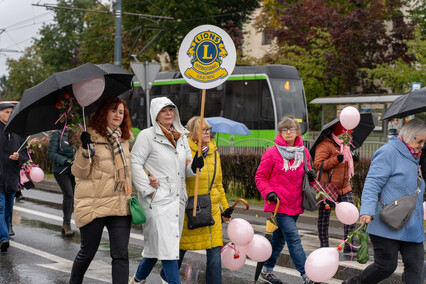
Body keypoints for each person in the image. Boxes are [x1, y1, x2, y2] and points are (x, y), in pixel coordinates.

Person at [130, 97, 204, 284]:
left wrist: (195, 166)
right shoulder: (147, 136)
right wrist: (148, 190)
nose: (169, 113)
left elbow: (186, 170)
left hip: (177, 199)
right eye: (164, 111)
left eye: (171, 110)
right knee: (169, 251)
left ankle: (137, 280)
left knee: (157, 250)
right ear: (156, 114)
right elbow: (135, 163)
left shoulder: (181, 137)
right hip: (156, 201)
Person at [343, 118, 426, 284]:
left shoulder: (418, 158)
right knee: (386, 266)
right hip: (386, 222)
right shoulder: (389, 152)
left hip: (412, 225)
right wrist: (366, 210)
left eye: (425, 141)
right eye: (420, 140)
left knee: (416, 268)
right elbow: (372, 183)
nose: (422, 145)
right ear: (408, 135)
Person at [160, 116, 232, 284]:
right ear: (192, 133)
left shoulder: (214, 152)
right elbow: (175, 176)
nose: (208, 133)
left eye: (209, 129)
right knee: (181, 249)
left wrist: (225, 208)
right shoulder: (183, 150)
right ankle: (166, 277)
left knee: (215, 253)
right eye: (203, 130)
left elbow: (218, 184)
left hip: (212, 209)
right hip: (190, 208)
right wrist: (191, 167)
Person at [69, 97, 133, 284]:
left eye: (121, 112)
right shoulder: (90, 136)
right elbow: (78, 172)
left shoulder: (125, 139)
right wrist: (84, 149)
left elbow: (129, 168)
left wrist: (148, 178)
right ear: (103, 112)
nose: (117, 115)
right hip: (94, 203)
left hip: (119, 203)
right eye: (113, 110)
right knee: (87, 252)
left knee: (121, 255)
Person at [255, 116, 316, 284]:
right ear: (280, 132)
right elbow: (260, 176)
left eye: (292, 129)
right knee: (293, 238)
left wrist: (312, 176)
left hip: (296, 203)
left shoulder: (303, 152)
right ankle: (307, 275)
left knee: (279, 240)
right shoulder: (272, 152)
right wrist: (268, 193)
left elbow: (308, 178)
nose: (289, 132)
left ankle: (266, 271)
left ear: (297, 131)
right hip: (279, 205)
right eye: (285, 129)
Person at [313, 121, 358, 253]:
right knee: (324, 216)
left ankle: (349, 243)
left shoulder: (345, 146)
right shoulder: (325, 145)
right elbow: (318, 164)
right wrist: (336, 159)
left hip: (344, 186)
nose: (347, 136)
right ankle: (324, 245)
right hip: (328, 187)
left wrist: (354, 160)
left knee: (351, 213)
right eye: (344, 133)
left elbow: (344, 168)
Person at [0, 102, 28, 253]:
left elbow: (25, 154)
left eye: (11, 112)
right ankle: (3, 237)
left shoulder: (19, 132)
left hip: (11, 178)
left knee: (8, 211)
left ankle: (4, 234)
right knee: (0, 207)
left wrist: (18, 157)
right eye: (6, 112)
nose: (9, 115)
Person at [48, 128, 77, 237]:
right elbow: (51, 153)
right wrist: (65, 161)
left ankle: (72, 223)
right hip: (61, 169)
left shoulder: (75, 133)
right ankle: (66, 224)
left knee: (74, 196)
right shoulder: (57, 134)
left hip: (75, 169)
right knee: (68, 194)